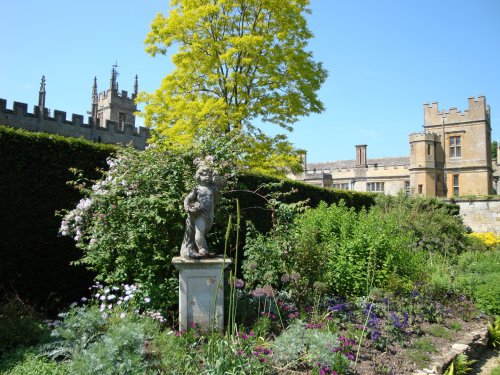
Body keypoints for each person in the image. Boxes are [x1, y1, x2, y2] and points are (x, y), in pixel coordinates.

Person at [180, 164, 218, 258]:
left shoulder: (212, 188)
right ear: (198, 176)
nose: (208, 176)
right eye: (205, 174)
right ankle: (202, 249)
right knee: (199, 231)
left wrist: (218, 178)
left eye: (209, 174)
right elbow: (188, 198)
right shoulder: (197, 189)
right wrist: (187, 206)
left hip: (210, 214)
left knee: (203, 231)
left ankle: (203, 250)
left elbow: (223, 183)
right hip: (200, 213)